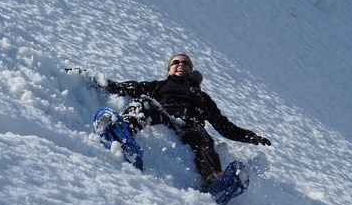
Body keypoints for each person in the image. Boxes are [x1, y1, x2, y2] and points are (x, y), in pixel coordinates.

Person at [92, 53, 271, 191]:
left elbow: (223, 125)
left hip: (191, 127)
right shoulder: (158, 86)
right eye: (176, 62)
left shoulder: (201, 97)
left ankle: (214, 179)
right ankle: (123, 134)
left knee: (203, 137)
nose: (181, 65)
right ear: (169, 70)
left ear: (190, 70)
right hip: (167, 119)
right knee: (144, 102)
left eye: (185, 63)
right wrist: (97, 80)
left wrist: (250, 136)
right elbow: (126, 87)